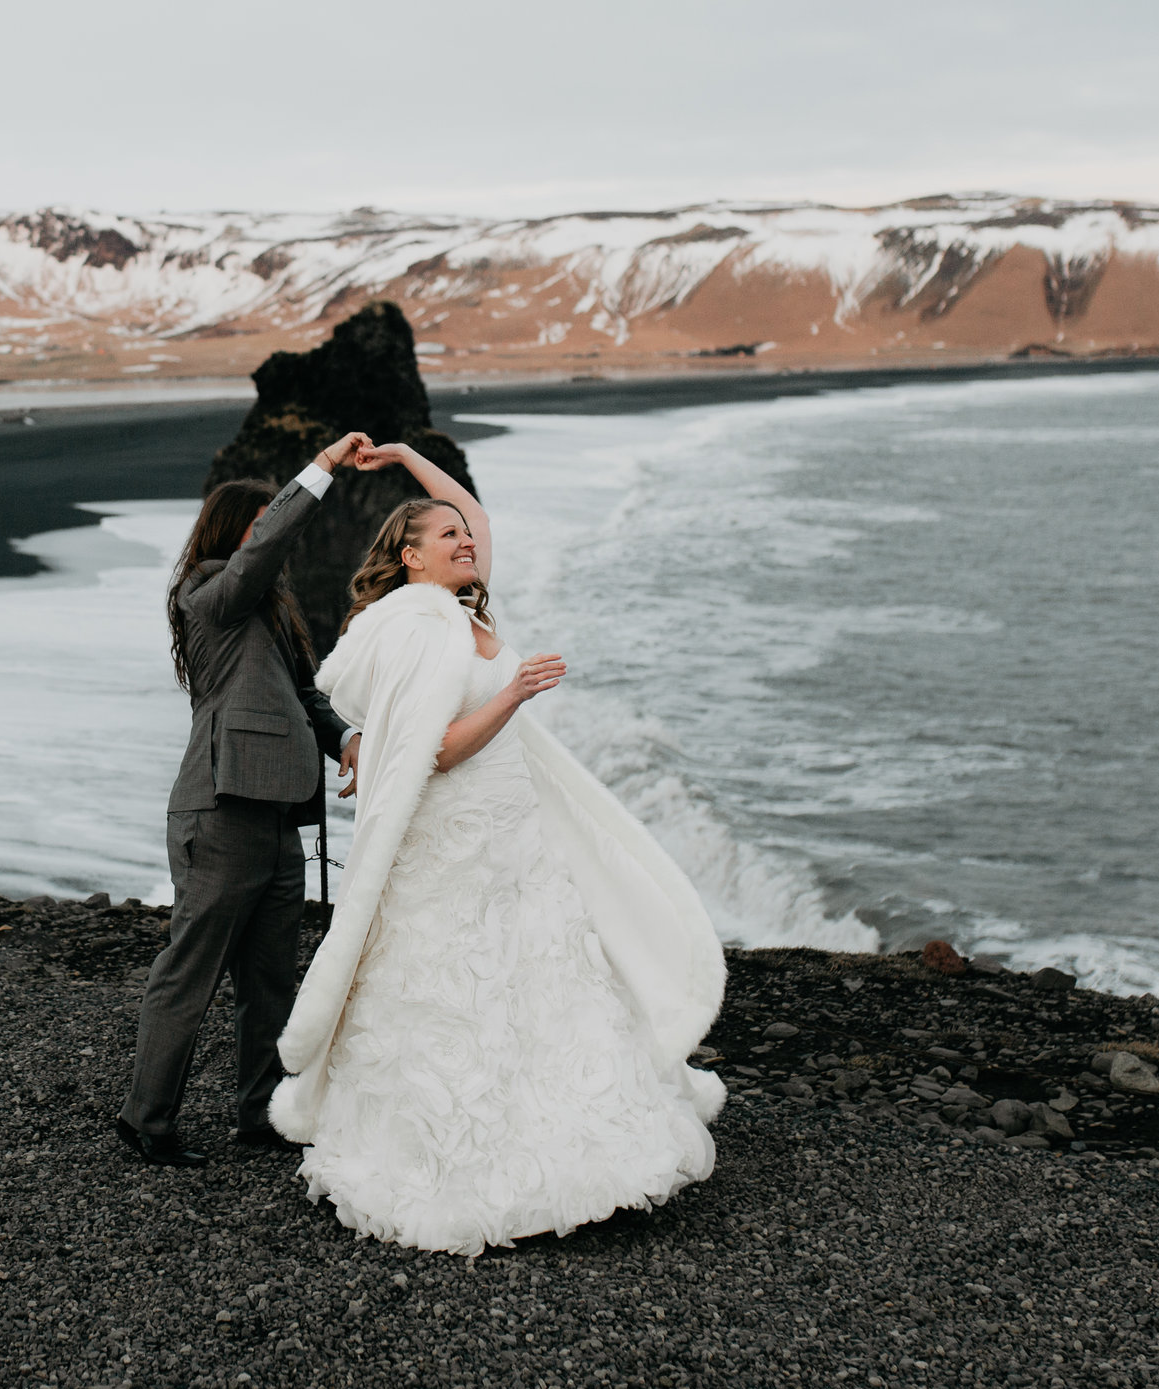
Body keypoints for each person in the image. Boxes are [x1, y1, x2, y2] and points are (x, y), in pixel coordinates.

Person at [267, 440, 727, 1255]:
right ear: (410, 559)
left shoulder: (468, 613)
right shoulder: (413, 626)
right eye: (446, 538)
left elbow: (478, 512)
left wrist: (408, 456)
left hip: (517, 839)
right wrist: (513, 692)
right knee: (462, 995)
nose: (466, 541)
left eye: (464, 537)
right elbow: (435, 750)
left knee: (548, 981)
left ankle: (583, 1153)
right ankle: (468, 1173)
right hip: (453, 846)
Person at [117, 430, 373, 1168]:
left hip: (278, 816)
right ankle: (146, 1118)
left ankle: (262, 1113)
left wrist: (347, 740)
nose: (276, 544)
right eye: (264, 525)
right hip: (221, 811)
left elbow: (300, 694)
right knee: (190, 970)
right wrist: (320, 470)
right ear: (241, 529)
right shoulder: (211, 596)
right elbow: (264, 547)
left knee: (270, 978)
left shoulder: (269, 611)